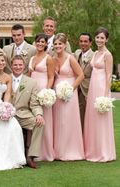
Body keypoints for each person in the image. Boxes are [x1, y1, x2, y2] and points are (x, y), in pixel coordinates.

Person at [84, 27, 116, 162]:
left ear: (106, 39)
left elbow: (109, 75)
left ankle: (104, 152)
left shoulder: (107, 55)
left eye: (102, 37)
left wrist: (105, 96)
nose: (99, 40)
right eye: (97, 37)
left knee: (101, 119)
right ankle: (93, 150)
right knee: (93, 119)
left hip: (102, 88)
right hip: (93, 87)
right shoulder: (95, 53)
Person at [52, 33, 85, 161]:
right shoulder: (53, 58)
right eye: (55, 44)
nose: (57, 46)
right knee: (58, 120)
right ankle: (58, 151)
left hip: (69, 94)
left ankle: (70, 150)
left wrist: (70, 89)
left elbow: (81, 75)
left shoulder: (70, 58)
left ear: (65, 45)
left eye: (60, 43)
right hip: (57, 92)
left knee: (67, 121)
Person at [28, 33, 55, 161]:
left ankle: (46, 152)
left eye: (42, 42)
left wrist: (47, 92)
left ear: (46, 44)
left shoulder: (48, 58)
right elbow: (28, 76)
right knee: (34, 120)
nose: (40, 44)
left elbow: (51, 77)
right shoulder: (32, 58)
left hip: (43, 91)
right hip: (32, 91)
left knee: (45, 121)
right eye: (38, 41)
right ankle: (33, 151)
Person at [74, 33, 94, 129]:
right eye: (81, 41)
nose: (83, 43)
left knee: (84, 115)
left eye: (86, 41)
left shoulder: (94, 55)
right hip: (76, 88)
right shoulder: (77, 53)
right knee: (76, 113)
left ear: (90, 43)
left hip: (87, 88)